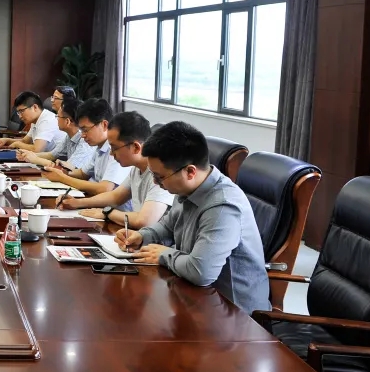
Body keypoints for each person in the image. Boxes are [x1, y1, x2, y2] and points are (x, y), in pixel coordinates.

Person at [115, 121, 270, 314]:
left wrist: (163, 254)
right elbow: (168, 226)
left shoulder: (223, 206)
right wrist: (142, 236)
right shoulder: (187, 187)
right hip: (196, 296)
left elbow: (201, 272)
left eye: (160, 177)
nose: (155, 182)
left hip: (234, 313)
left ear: (190, 171)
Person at [59, 111, 173, 228]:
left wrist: (107, 213)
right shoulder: (136, 169)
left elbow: (144, 221)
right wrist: (77, 202)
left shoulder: (160, 175)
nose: (111, 154)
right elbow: (115, 197)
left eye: (114, 148)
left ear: (135, 147)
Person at [41, 98, 131, 196]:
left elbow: (104, 188)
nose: (83, 135)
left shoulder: (117, 149)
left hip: (107, 204)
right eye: (81, 130)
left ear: (104, 125)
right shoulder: (99, 147)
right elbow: (83, 174)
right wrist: (62, 171)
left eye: (85, 130)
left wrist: (62, 178)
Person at [18, 95, 93, 171]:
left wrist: (37, 160)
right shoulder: (69, 136)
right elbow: (52, 155)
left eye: (58, 116)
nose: (56, 119)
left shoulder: (84, 142)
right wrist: (29, 155)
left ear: (67, 121)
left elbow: (68, 170)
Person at [0, 91, 64, 153]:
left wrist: (17, 144)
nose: (20, 116)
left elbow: (37, 150)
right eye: (18, 112)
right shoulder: (36, 120)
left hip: (58, 162)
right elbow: (25, 141)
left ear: (35, 107)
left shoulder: (47, 120)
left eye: (22, 111)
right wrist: (6, 140)